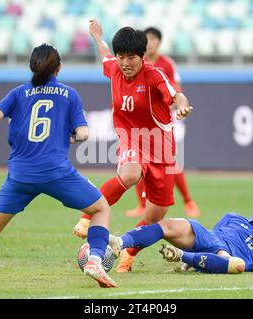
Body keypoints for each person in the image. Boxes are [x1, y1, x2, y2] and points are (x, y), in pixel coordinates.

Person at [0, 44, 117, 289]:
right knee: (101, 208)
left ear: (32, 66)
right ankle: (94, 259)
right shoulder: (69, 94)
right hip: (56, 172)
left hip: (20, 175)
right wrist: (74, 135)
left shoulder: (18, 93)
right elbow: (83, 132)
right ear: (59, 67)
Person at [73, 19, 193, 273]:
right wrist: (97, 36)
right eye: (121, 56)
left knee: (154, 216)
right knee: (129, 173)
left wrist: (181, 106)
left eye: (131, 57)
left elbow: (176, 94)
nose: (125, 63)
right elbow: (105, 54)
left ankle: (128, 252)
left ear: (142, 56)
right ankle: (86, 218)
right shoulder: (114, 68)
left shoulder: (154, 75)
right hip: (131, 137)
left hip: (161, 147)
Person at [108, 193, 253, 274]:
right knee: (168, 225)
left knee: (237, 265)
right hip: (211, 238)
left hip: (229, 257)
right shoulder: (232, 217)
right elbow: (213, 233)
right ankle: (120, 242)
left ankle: (182, 256)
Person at [125, 26, 200, 219]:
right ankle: (142, 206)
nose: (150, 43)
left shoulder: (166, 64)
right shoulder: (135, 63)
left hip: (164, 123)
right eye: (146, 39)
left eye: (153, 39)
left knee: (170, 164)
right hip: (141, 124)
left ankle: (188, 201)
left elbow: (176, 90)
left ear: (159, 41)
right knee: (139, 162)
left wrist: (178, 108)